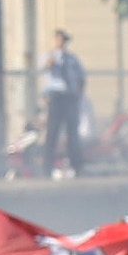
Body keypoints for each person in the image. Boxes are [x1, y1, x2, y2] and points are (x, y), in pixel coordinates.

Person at [38, 30, 86, 177]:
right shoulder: (49, 56)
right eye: (59, 40)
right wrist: (52, 59)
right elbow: (45, 69)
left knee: (72, 132)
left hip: (69, 96)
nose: (61, 43)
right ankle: (47, 167)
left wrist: (79, 93)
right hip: (56, 96)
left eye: (64, 40)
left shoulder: (72, 59)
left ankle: (76, 166)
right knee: (52, 132)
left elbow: (81, 76)